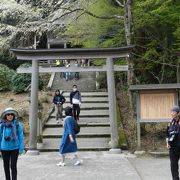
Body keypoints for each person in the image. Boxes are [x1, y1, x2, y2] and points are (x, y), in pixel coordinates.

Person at [0, 107, 24, 180]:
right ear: (5, 116)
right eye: (8, 114)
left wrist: (21, 148)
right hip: (4, 149)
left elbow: (21, 136)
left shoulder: (17, 124)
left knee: (13, 166)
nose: (10, 116)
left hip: (15, 148)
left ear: (14, 115)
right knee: (6, 166)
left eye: (11, 114)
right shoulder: (1, 125)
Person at [166, 105, 180, 180]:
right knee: (173, 166)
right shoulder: (170, 123)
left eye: (173, 112)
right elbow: (167, 134)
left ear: (178, 113)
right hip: (173, 148)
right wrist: (167, 143)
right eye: (171, 112)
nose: (171, 113)